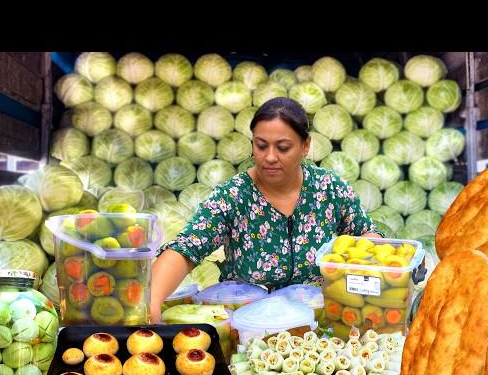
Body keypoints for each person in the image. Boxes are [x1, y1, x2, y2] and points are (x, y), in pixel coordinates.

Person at [150, 97, 384, 322]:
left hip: (317, 324)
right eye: (261, 146)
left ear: (305, 146)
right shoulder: (233, 196)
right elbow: (185, 249)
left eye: (283, 148)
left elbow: (368, 236)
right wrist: (151, 305)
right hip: (249, 328)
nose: (269, 157)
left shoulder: (329, 189)